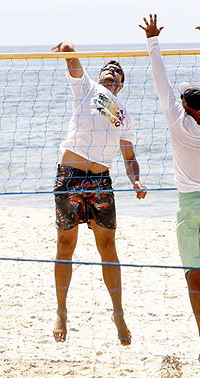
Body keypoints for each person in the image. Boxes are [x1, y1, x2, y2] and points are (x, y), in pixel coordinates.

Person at [139, 12, 200, 363]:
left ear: (186, 107)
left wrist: (153, 40)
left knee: (194, 274)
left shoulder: (178, 125)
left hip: (190, 205)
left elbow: (161, 82)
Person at [50, 40, 147, 346]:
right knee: (66, 245)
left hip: (101, 179)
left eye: (116, 71)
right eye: (107, 68)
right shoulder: (87, 88)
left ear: (121, 83)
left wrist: (136, 181)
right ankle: (62, 312)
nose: (111, 72)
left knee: (108, 248)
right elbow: (73, 64)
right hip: (70, 176)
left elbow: (129, 156)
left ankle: (118, 313)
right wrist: (69, 49)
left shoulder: (124, 115)